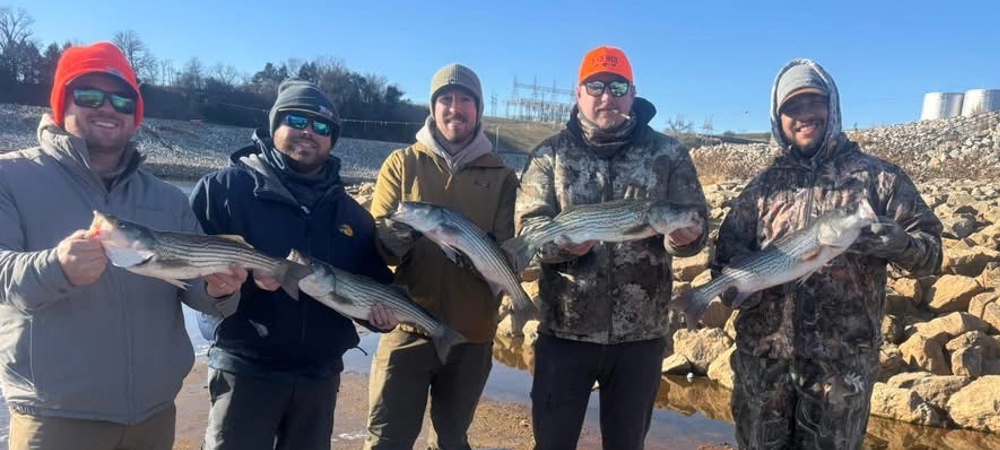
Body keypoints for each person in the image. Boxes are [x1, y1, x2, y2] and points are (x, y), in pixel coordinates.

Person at [0, 41, 244, 450]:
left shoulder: (168, 197)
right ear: (61, 103)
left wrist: (220, 292)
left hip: (155, 414)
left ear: (136, 114)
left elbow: (191, 288)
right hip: (57, 417)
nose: (109, 108)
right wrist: (55, 267)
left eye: (122, 99)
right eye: (90, 95)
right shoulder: (11, 176)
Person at [706, 58, 943, 450]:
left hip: (841, 371)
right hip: (764, 365)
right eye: (792, 107)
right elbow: (724, 259)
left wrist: (902, 244)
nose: (804, 115)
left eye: (814, 102)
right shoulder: (762, 188)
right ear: (777, 116)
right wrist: (741, 289)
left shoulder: (879, 179)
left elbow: (933, 255)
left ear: (832, 106)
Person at [514, 45, 709, 450]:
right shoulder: (550, 154)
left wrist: (684, 239)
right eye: (596, 85)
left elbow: (694, 222)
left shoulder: (668, 153)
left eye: (618, 86)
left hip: (641, 337)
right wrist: (566, 248)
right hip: (565, 331)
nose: (607, 95)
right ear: (579, 92)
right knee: (551, 443)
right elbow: (529, 226)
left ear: (632, 93)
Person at [190, 78, 398, 450]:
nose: (308, 133)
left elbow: (370, 286)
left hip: (319, 378)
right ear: (274, 126)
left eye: (321, 127)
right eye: (296, 121)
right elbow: (187, 282)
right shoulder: (222, 191)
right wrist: (244, 283)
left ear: (332, 139)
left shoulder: (353, 216)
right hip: (245, 368)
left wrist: (379, 318)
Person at [364, 63, 519, 450]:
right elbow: (377, 247)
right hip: (406, 327)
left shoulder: (502, 176)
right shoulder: (401, 164)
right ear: (432, 108)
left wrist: (491, 265)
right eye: (445, 99)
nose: (455, 108)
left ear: (478, 109)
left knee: (451, 440)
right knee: (386, 439)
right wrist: (397, 235)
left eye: (465, 100)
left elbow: (509, 249)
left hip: (473, 335)